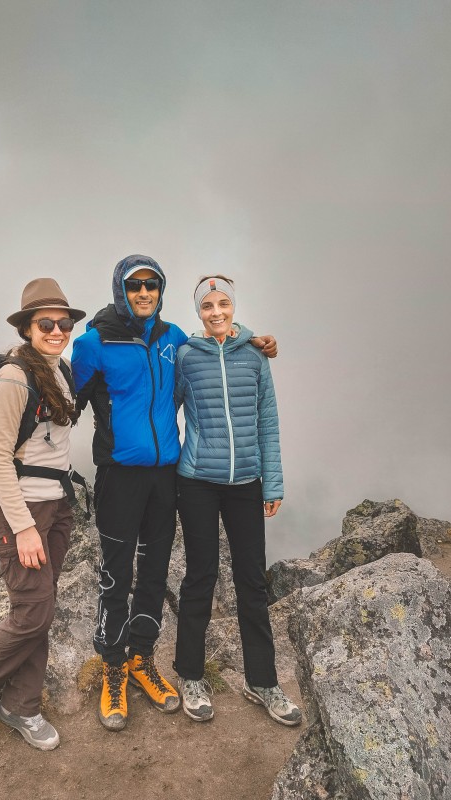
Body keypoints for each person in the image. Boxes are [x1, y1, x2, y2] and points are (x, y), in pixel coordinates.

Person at [71, 255, 278, 732]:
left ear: (160, 292)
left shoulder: (174, 341)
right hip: (120, 476)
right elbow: (65, 401)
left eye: (152, 285)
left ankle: (143, 659)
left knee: (155, 572)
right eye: (135, 285)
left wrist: (256, 341)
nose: (144, 292)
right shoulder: (93, 343)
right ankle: (114, 669)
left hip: (167, 477)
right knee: (116, 575)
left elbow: (213, 360)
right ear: (120, 289)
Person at [0, 278, 86, 750]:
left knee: (41, 607)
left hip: (56, 505)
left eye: (64, 322)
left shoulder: (61, 370)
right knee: (32, 611)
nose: (57, 330)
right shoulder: (14, 379)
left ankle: (20, 706)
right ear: (28, 328)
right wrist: (25, 527)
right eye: (45, 323)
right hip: (20, 510)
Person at [173, 275, 301, 727]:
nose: (216, 312)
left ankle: (262, 681)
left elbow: (269, 422)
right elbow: (163, 411)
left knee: (251, 580)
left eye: (223, 303)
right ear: (199, 312)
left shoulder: (255, 356)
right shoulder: (186, 356)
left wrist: (273, 483)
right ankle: (190, 675)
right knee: (200, 576)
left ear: (233, 306)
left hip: (247, 480)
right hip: (198, 483)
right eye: (207, 305)